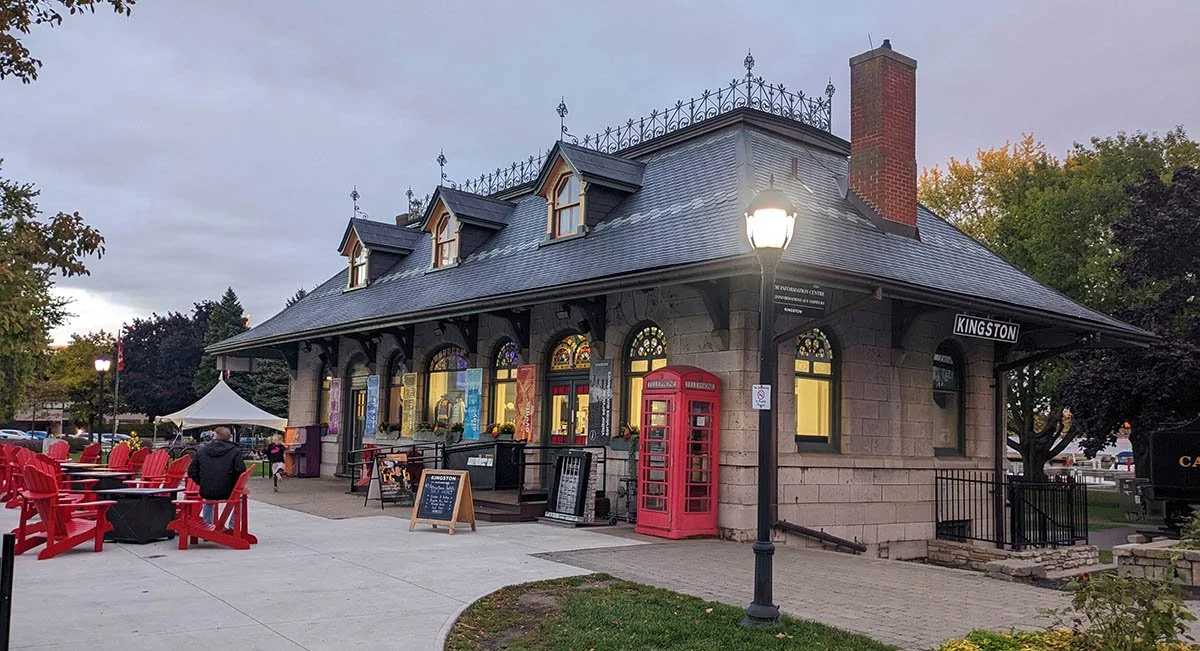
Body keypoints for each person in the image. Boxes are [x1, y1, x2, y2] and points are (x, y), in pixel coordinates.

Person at [187, 426, 246, 525]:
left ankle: (207, 524)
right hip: (229, 490)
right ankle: (233, 526)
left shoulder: (202, 450)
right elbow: (240, 471)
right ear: (229, 437)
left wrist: (202, 482)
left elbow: (192, 471)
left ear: (215, 436)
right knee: (240, 500)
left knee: (208, 501)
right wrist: (233, 484)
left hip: (207, 489)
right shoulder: (235, 451)